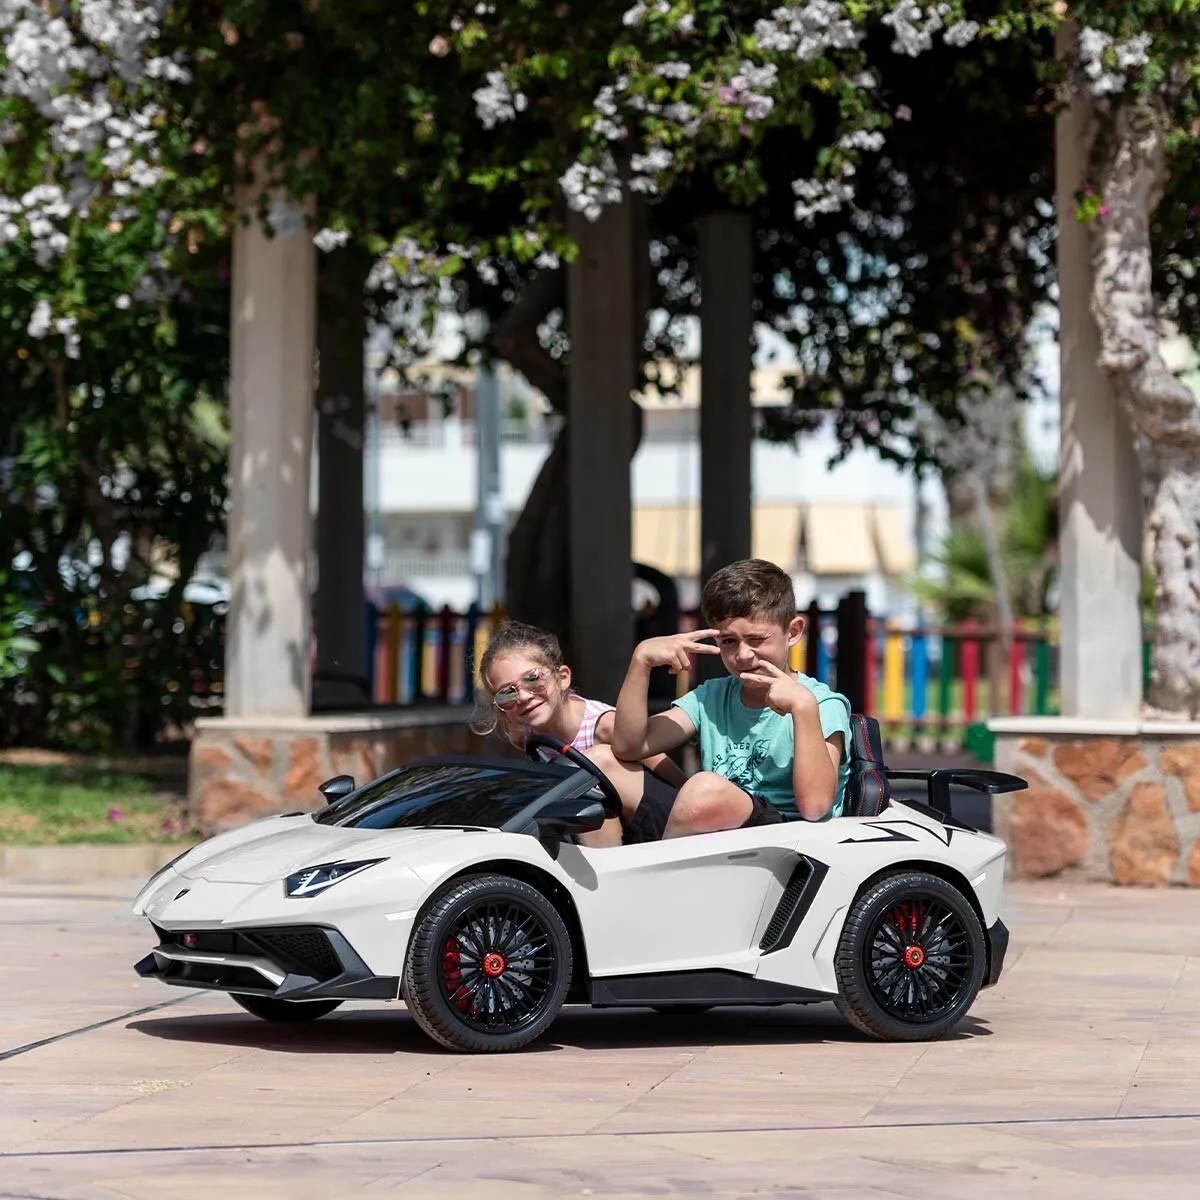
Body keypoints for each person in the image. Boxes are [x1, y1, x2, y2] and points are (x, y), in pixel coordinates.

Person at [591, 558, 852, 843]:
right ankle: (612, 880)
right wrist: (641, 661)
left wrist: (803, 709)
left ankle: (659, 881)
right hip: (712, 824)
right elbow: (630, 747)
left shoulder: (822, 703)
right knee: (599, 762)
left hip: (784, 837)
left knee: (705, 789)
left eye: (757, 639)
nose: (743, 655)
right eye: (729, 641)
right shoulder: (712, 696)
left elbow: (815, 807)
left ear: (793, 632)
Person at [470, 619, 684, 845]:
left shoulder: (605, 726)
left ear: (562, 678)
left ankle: (608, 871)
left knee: (586, 774)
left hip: (660, 824)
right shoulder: (529, 738)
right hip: (603, 831)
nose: (522, 697)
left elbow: (673, 779)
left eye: (532, 679)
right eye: (506, 694)